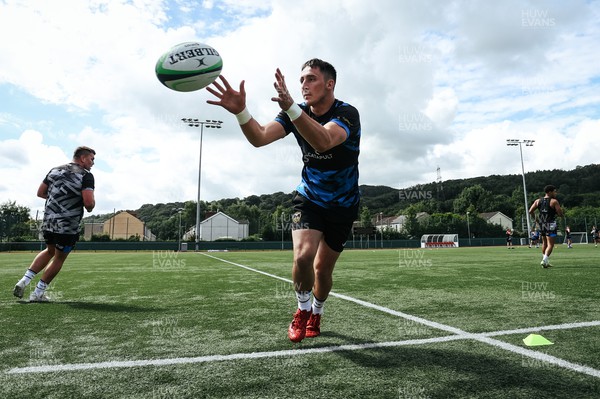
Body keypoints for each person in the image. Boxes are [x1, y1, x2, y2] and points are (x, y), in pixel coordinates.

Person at [206, 59, 360, 342]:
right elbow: (260, 137)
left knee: (322, 270)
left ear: (330, 84)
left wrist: (290, 108)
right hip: (309, 198)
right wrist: (241, 112)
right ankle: (302, 310)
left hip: (344, 204)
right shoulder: (295, 112)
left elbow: (324, 141)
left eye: (311, 79)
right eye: (301, 80)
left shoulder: (347, 113)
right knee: (303, 257)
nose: (304, 85)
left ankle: (317, 311)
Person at [13, 146, 96, 302]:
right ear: (83, 158)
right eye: (91, 159)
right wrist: (90, 206)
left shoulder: (54, 170)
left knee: (49, 250)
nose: (92, 163)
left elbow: (41, 193)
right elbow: (88, 202)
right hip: (67, 224)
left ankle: (24, 280)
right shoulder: (86, 176)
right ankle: (37, 293)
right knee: (59, 257)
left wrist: (58, 202)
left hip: (49, 221)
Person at [528, 185, 564, 268]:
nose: (556, 193)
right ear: (550, 192)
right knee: (550, 244)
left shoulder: (538, 201)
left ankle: (545, 261)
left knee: (544, 243)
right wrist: (561, 213)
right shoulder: (554, 201)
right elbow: (560, 214)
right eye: (554, 191)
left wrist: (536, 220)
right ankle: (544, 260)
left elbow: (530, 211)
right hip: (551, 223)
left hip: (542, 224)